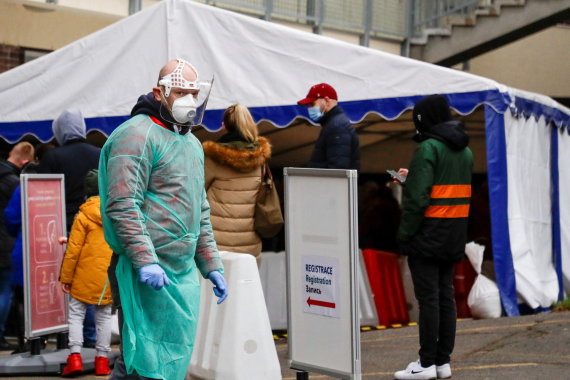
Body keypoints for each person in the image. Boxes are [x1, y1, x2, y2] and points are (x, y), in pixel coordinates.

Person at [99, 58, 227, 380]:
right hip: (145, 272)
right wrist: (145, 260)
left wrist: (211, 264)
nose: (189, 100)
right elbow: (123, 203)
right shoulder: (135, 136)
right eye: (181, 91)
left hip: (181, 274)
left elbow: (200, 210)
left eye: (193, 93)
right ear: (159, 92)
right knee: (141, 356)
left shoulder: (192, 144)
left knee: (169, 358)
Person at [393, 95, 473, 380]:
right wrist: (412, 176)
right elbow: (443, 186)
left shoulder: (428, 147)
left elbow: (418, 199)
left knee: (428, 300)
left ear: (423, 120)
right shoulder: (464, 150)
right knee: (445, 297)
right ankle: (442, 362)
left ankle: (425, 364)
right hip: (453, 234)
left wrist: (405, 235)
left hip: (427, 235)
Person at [37, 109, 100, 348]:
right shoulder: (100, 153)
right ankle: (91, 338)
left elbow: (41, 194)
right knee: (90, 280)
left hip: (61, 227)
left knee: (63, 281)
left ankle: (66, 335)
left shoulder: (54, 157)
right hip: (95, 224)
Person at [59, 169, 113, 377]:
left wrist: (66, 278)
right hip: (107, 276)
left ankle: (74, 357)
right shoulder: (115, 214)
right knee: (104, 317)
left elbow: (73, 251)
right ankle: (102, 361)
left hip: (82, 275)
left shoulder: (83, 216)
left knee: (75, 315)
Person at [203, 104, 272, 263]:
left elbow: (196, 194)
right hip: (249, 245)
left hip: (216, 245)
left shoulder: (213, 158)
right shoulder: (260, 159)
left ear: (224, 126)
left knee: (214, 288)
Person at [4, 143, 53, 353]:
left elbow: (11, 217)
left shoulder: (20, 187)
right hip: (46, 249)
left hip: (22, 250)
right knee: (44, 295)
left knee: (22, 296)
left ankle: (27, 341)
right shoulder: (50, 190)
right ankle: (41, 339)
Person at [0, 142, 34, 350]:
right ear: (25, 162)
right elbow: (14, 217)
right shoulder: (15, 183)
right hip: (5, 242)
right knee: (4, 292)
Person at [297, 83, 360, 170]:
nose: (309, 109)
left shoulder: (337, 127)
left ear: (327, 100)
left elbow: (337, 170)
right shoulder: (333, 124)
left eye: (312, 104)